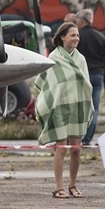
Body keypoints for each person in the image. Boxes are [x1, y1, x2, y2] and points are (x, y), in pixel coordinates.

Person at [33, 22, 93, 199]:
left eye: (77, 36)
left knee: (76, 149)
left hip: (78, 107)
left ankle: (73, 185)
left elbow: (85, 83)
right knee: (61, 148)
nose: (76, 39)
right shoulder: (53, 58)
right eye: (73, 35)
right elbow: (46, 84)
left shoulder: (80, 59)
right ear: (62, 37)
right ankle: (58, 187)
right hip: (59, 107)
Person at [75, 9, 105, 146]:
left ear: (81, 21)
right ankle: (87, 139)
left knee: (79, 107)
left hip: (82, 75)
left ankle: (78, 137)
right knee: (93, 107)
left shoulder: (77, 37)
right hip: (98, 75)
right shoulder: (100, 36)